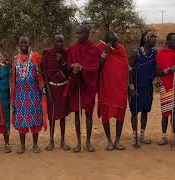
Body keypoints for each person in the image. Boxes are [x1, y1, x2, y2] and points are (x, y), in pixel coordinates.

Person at [65, 24, 100, 153]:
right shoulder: (72, 49)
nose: (78, 36)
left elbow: (96, 67)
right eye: (77, 33)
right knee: (77, 114)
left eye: (81, 33)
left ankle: (88, 142)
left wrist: (83, 68)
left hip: (89, 86)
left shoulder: (95, 50)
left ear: (87, 33)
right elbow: (68, 65)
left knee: (89, 115)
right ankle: (78, 143)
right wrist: (73, 67)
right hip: (77, 85)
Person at [12, 37, 47, 154]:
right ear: (18, 44)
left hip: (34, 94)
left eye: (25, 43)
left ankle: (35, 145)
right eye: (21, 43)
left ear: (29, 44)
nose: (23, 45)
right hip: (20, 95)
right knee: (21, 120)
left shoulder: (36, 57)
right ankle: (22, 146)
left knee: (35, 119)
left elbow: (42, 72)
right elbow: (13, 78)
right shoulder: (15, 59)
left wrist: (43, 87)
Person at [97, 31, 128, 151]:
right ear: (109, 41)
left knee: (120, 114)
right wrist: (106, 51)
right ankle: (109, 140)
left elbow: (126, 67)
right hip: (106, 87)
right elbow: (98, 65)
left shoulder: (121, 49)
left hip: (120, 87)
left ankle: (117, 140)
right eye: (115, 40)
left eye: (117, 40)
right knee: (106, 114)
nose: (118, 42)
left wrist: (129, 85)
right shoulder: (101, 49)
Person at [128, 30, 157, 147]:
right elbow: (129, 70)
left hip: (148, 86)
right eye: (152, 36)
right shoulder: (136, 52)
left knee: (145, 110)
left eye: (155, 36)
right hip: (136, 86)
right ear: (145, 39)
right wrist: (131, 87)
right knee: (134, 111)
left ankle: (142, 136)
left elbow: (156, 69)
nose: (155, 38)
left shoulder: (155, 53)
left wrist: (158, 80)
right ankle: (134, 137)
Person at [156, 33, 175, 146]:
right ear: (168, 42)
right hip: (165, 86)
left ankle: (174, 135)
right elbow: (158, 72)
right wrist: (169, 70)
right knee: (165, 112)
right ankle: (163, 136)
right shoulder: (160, 54)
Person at [42, 34, 70, 151]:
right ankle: (51, 141)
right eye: (57, 41)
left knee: (63, 115)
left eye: (61, 42)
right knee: (52, 116)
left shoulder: (66, 53)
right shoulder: (47, 53)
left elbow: (68, 70)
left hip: (63, 88)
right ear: (53, 42)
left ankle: (63, 141)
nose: (60, 44)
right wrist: (48, 93)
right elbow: (45, 74)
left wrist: (62, 62)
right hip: (52, 88)